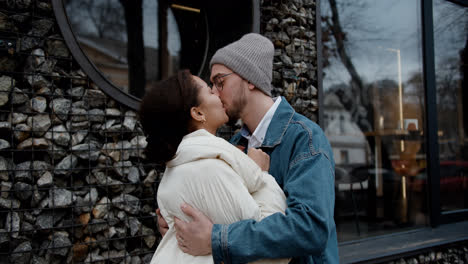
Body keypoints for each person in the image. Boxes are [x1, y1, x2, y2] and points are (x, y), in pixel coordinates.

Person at [164, 33, 339, 263]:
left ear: (250, 79)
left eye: (219, 82)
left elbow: (310, 228)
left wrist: (217, 239)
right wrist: (182, 226)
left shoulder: (304, 138)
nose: (214, 93)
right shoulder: (233, 145)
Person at [139, 70, 290, 264]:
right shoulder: (209, 169)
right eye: (210, 92)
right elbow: (272, 253)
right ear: (198, 113)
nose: (218, 94)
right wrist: (262, 174)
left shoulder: (178, 169)